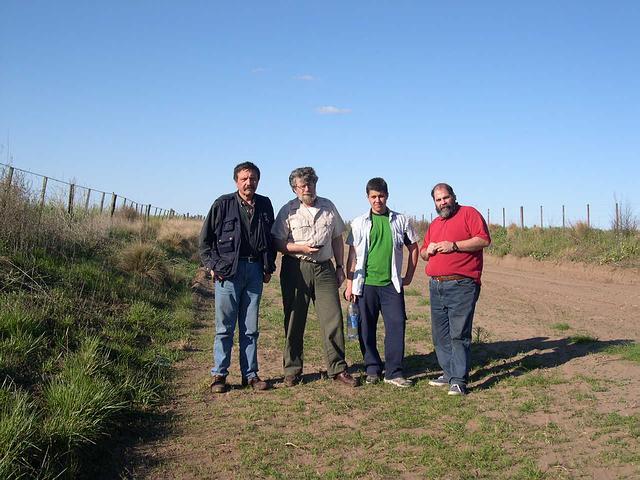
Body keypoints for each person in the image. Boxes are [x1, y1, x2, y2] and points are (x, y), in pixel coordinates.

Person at [272, 167, 358, 387]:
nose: (307, 188)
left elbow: (338, 238)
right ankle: (292, 370)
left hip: (324, 269)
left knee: (333, 319)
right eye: (302, 185)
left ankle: (338, 368)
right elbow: (278, 243)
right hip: (295, 268)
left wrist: (340, 266)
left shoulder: (328, 206)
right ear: (295, 189)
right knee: (294, 320)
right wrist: (300, 247)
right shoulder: (287, 210)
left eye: (310, 184)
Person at [199, 162, 276, 393]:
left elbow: (270, 240)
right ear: (236, 181)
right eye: (244, 179)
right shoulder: (223, 204)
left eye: (252, 178)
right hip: (228, 273)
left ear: (258, 181)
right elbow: (204, 243)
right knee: (224, 328)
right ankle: (219, 375)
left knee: (250, 328)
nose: (248, 182)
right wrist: (214, 267)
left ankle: (250, 375)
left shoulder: (264, 204)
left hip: (254, 272)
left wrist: (268, 267)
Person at [344, 177, 419, 387]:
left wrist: (410, 275)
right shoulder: (358, 223)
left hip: (391, 285)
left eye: (381, 196)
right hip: (365, 285)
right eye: (373, 196)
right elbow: (352, 255)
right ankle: (372, 369)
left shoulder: (401, 221)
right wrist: (350, 284)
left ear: (387, 196)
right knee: (365, 328)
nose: (378, 200)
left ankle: (394, 372)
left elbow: (414, 248)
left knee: (396, 325)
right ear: (367, 197)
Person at [420, 183, 491, 396]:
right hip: (436, 285)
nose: (443, 202)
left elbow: (483, 240)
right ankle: (448, 372)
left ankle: (459, 380)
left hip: (461, 284)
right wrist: (428, 250)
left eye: (445, 198)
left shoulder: (469, 214)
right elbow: (423, 253)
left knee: (458, 333)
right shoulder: (434, 224)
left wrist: (455, 245)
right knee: (440, 334)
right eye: (438, 200)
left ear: (454, 197)